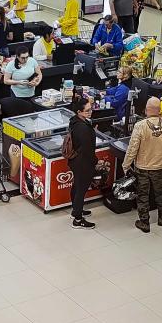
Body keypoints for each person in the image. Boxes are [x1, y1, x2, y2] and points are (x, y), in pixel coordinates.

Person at [123, 97, 162, 232]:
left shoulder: (140, 126)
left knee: (143, 196)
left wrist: (126, 165)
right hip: (160, 167)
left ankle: (144, 222)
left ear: (146, 110)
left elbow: (133, 148)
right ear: (160, 111)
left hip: (142, 168)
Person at [68, 97, 98, 229]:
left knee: (76, 186)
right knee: (81, 189)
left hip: (75, 161)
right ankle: (78, 220)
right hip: (83, 163)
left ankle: (76, 209)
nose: (90, 112)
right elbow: (87, 149)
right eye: (87, 111)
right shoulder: (83, 128)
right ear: (79, 112)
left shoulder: (74, 122)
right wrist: (95, 161)